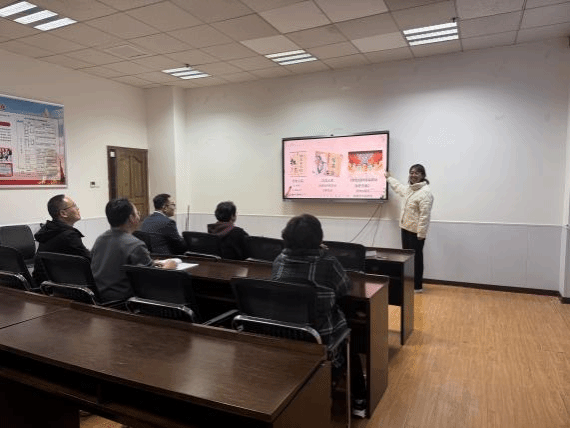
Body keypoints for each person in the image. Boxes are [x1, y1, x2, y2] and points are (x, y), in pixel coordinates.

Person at [271, 214, 368, 418]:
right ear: (318, 238)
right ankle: (360, 399)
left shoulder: (279, 260)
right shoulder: (328, 262)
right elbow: (345, 288)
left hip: (286, 335)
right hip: (321, 340)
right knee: (350, 339)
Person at [91, 198, 176, 303]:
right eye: (137, 213)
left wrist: (151, 263)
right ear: (131, 218)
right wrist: (168, 267)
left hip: (99, 299)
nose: (139, 216)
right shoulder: (135, 245)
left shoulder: (100, 239)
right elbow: (152, 281)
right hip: (123, 302)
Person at [385, 164, 434, 293]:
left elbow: (425, 216)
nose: (413, 175)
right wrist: (389, 178)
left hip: (416, 233)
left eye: (417, 173)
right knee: (407, 258)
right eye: (411, 172)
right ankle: (409, 284)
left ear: (423, 175)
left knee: (416, 259)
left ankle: (417, 286)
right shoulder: (410, 189)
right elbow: (399, 188)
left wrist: (421, 234)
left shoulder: (425, 192)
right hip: (405, 228)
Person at [32, 194, 91, 285]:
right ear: (63, 213)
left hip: (44, 284)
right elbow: (90, 261)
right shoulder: (69, 236)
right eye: (74, 206)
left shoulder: (48, 230)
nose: (78, 208)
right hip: (62, 287)